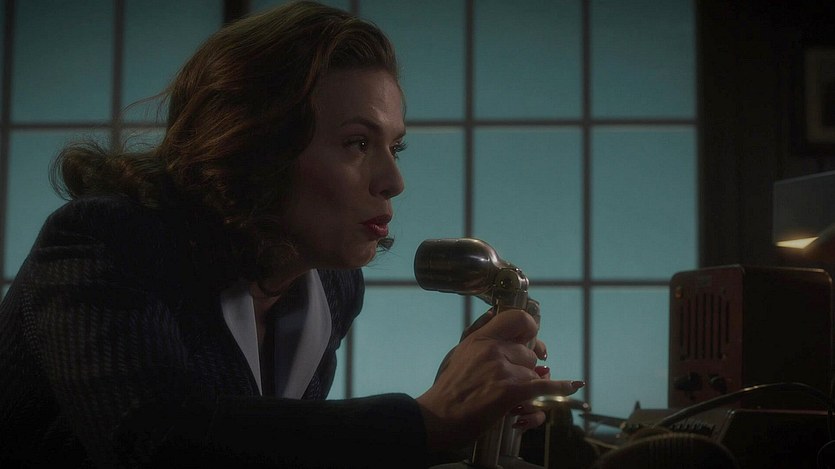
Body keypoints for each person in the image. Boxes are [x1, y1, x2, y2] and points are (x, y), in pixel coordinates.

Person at [0, 1, 583, 467]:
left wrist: (471, 408)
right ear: (252, 148)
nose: (393, 180)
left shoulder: (332, 285)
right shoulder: (103, 240)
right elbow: (153, 442)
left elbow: (272, 450)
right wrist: (425, 422)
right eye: (357, 143)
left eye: (395, 146)